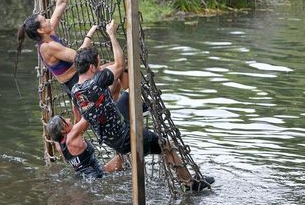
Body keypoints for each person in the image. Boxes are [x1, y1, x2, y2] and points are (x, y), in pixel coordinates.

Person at [71, 19, 215, 191]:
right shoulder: (96, 82)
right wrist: (111, 35)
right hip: (125, 136)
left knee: (121, 95)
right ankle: (191, 184)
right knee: (166, 145)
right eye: (99, 63)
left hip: (110, 138)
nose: (101, 66)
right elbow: (119, 64)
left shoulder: (75, 90)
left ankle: (137, 107)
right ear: (93, 68)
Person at [15, 0, 126, 108]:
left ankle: (112, 109)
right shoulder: (49, 47)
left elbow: (60, 5)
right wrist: (90, 35)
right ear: (41, 30)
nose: (48, 20)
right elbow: (81, 59)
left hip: (77, 79)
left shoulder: (48, 34)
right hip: (77, 84)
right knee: (121, 67)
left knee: (115, 83)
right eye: (45, 21)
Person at [47, 115, 123, 179]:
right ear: (63, 130)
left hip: (82, 178)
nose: (69, 119)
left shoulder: (58, 145)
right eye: (65, 120)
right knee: (125, 157)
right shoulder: (73, 134)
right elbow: (89, 115)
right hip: (97, 177)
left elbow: (78, 120)